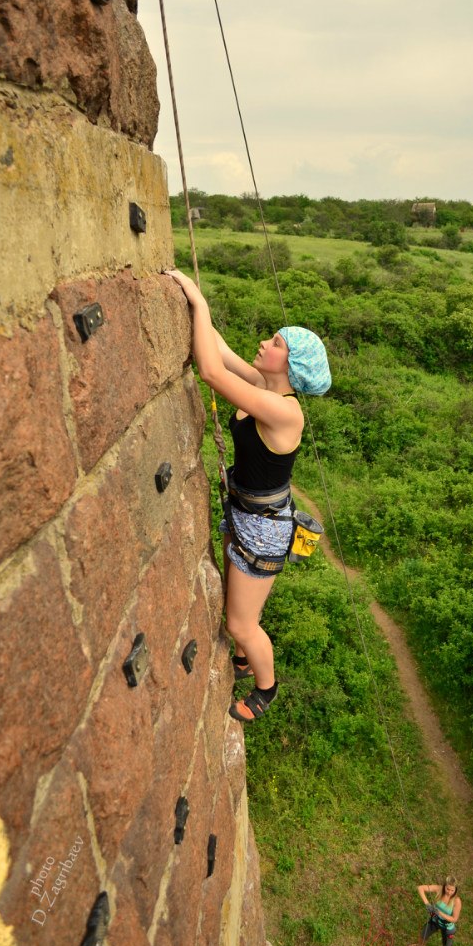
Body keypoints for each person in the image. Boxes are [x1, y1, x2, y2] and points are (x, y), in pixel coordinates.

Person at [168, 270, 331, 723]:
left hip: (262, 529)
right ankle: (242, 659)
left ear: (290, 364)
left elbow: (211, 371)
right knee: (236, 608)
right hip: (244, 512)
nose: (265, 343)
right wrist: (189, 296)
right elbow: (218, 349)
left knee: (241, 622)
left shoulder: (282, 410)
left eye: (276, 343)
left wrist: (199, 305)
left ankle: (267, 687)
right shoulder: (264, 388)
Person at [409, 878, 461, 946]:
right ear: (444, 886)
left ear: (455, 890)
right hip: (435, 920)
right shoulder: (439, 889)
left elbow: (454, 919)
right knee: (423, 935)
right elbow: (420, 888)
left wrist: (440, 914)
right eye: (447, 889)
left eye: (452, 890)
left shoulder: (457, 901)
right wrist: (427, 904)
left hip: (447, 927)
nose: (449, 892)